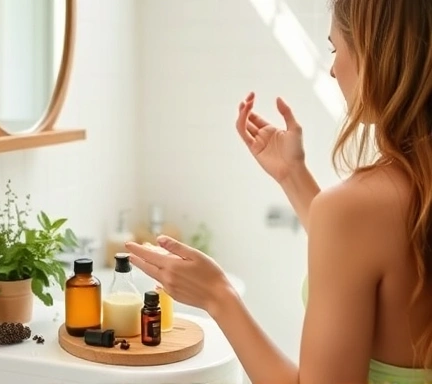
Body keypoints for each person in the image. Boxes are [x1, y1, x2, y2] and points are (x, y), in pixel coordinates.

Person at [125, 1, 432, 383]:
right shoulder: (410, 195)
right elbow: (377, 246)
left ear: (378, 53)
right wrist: (293, 176)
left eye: (336, 49)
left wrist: (218, 296)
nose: (333, 69)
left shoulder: (357, 208)